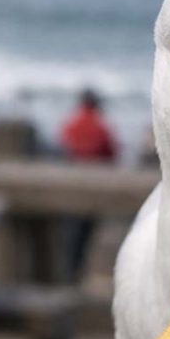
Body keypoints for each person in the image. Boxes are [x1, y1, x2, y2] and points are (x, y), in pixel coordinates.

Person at [59, 88, 118, 280]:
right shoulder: (101, 127)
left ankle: (68, 275)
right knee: (83, 238)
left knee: (69, 238)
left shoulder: (71, 124)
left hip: (69, 189)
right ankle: (74, 275)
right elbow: (112, 155)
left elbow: (62, 150)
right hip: (92, 190)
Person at [60, 88, 118, 163]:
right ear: (96, 104)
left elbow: (64, 145)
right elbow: (111, 151)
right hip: (97, 164)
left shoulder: (71, 124)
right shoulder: (100, 125)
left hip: (74, 162)